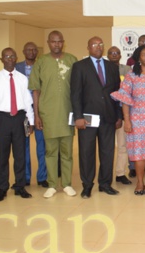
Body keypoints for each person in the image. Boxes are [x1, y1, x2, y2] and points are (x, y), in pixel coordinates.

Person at [111, 45, 145, 195]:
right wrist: (127, 121)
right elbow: (125, 98)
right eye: (144, 55)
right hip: (136, 120)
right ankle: (139, 182)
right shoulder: (131, 75)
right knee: (138, 152)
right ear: (138, 57)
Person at [71, 37, 122, 199]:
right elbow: (75, 93)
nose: (98, 47)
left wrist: (118, 116)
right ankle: (87, 185)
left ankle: (105, 184)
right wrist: (78, 117)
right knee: (87, 152)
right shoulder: (79, 66)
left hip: (108, 117)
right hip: (87, 118)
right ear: (88, 47)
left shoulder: (111, 67)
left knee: (107, 152)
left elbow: (116, 94)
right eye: (94, 44)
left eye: (101, 44)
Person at [29, 31, 78, 198]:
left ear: (63, 42)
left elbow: (78, 89)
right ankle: (51, 184)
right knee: (50, 152)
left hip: (68, 113)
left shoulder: (72, 60)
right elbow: (35, 90)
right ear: (48, 43)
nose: (56, 44)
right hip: (47, 114)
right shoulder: (41, 62)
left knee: (67, 152)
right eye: (53, 42)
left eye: (59, 42)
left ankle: (66, 184)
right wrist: (36, 115)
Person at [0, 47, 34, 202]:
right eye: (6, 56)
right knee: (3, 156)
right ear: (2, 59)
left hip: (19, 119)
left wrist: (31, 122)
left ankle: (20, 186)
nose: (9, 59)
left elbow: (28, 102)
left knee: (20, 155)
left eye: (12, 56)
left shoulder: (22, 78)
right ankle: (2, 188)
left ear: (16, 58)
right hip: (2, 120)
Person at [15, 42, 48, 188]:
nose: (32, 52)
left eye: (34, 49)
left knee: (42, 145)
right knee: (23, 146)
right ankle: (25, 177)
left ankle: (42, 177)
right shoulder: (16, 68)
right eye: (28, 49)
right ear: (23, 51)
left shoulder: (43, 66)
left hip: (40, 109)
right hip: (23, 111)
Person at [106, 46, 133, 185]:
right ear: (107, 55)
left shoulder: (127, 70)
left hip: (123, 112)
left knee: (123, 146)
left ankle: (120, 173)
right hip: (107, 113)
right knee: (107, 147)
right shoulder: (102, 69)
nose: (114, 55)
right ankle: (105, 175)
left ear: (121, 55)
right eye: (111, 53)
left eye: (117, 53)